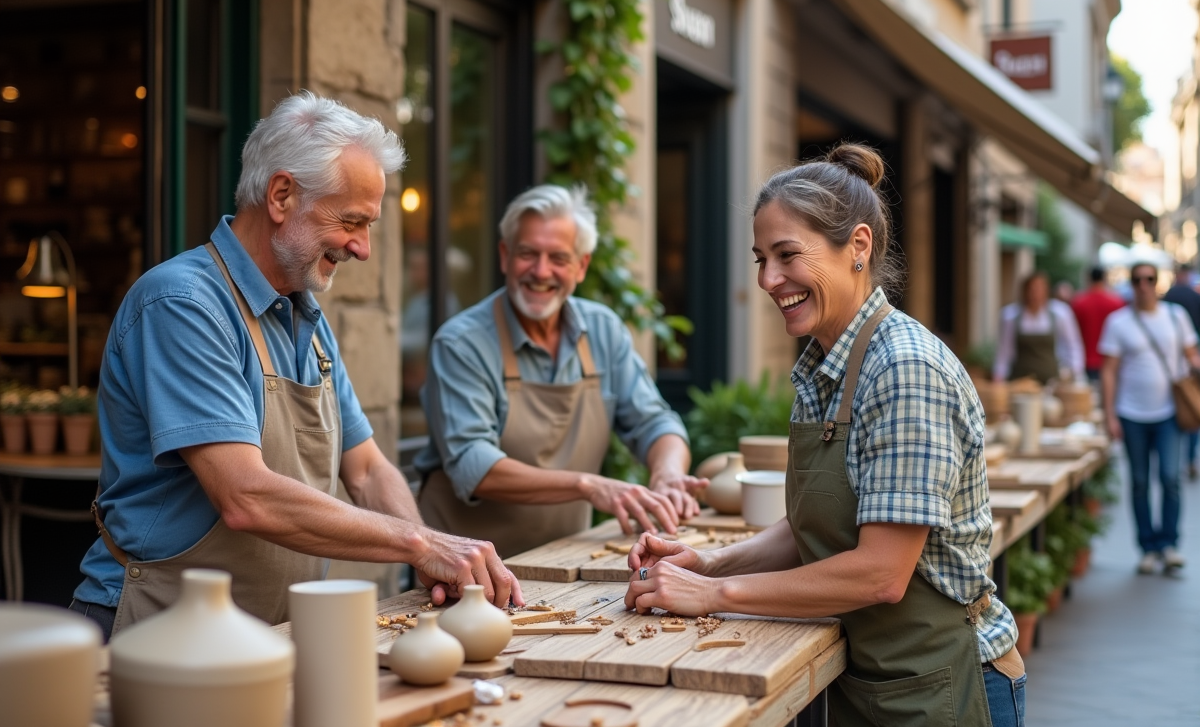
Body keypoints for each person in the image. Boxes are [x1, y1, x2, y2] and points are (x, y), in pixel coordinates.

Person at [71, 93, 521, 640]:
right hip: (157, 631)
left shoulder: (305, 314)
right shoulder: (182, 304)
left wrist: (426, 553)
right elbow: (245, 496)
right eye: (352, 221)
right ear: (281, 195)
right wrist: (422, 544)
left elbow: (368, 469)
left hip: (266, 634)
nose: (363, 249)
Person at [624, 144, 1023, 726]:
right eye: (760, 258)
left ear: (857, 247)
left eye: (787, 255)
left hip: (948, 684)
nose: (768, 279)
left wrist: (714, 597)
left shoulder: (903, 368)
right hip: (880, 681)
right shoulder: (828, 364)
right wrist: (709, 565)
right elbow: (821, 519)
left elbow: (881, 573)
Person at [415, 185, 705, 558]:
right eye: (527, 254)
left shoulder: (603, 330)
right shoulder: (461, 344)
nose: (541, 271)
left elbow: (655, 423)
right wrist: (588, 485)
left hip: (563, 559)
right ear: (505, 256)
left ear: (581, 266)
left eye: (558, 258)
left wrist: (667, 472)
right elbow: (473, 465)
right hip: (463, 568)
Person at [1100, 262, 1199, 574]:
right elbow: (1109, 371)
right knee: (1140, 482)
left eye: (1149, 279)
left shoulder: (1175, 316)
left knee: (1170, 478)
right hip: (1131, 414)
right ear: (1131, 284)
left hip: (1170, 412)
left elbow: (1191, 354)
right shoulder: (1118, 322)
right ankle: (1147, 546)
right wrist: (1109, 414)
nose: (1143, 285)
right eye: (1137, 279)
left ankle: (1168, 544)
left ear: (1157, 283)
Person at [993, 271, 1085, 384]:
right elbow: (1004, 350)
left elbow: (1073, 345)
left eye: (1039, 289)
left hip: (1052, 381)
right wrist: (999, 377)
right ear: (1024, 291)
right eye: (1031, 289)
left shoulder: (1060, 313)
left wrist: (1075, 373)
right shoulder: (1010, 315)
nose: (1035, 294)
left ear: (1046, 291)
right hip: (1020, 381)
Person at [1163, 264, 1200, 481]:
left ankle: (1176, 459)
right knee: (1193, 407)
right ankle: (1189, 458)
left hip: (1174, 359)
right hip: (1191, 356)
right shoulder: (1193, 295)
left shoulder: (1170, 295)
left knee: (1179, 408)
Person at [1070, 266, 1125, 383]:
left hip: (1085, 360)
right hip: (1111, 361)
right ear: (1104, 278)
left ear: (1089, 278)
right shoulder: (1116, 302)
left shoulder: (1079, 302)